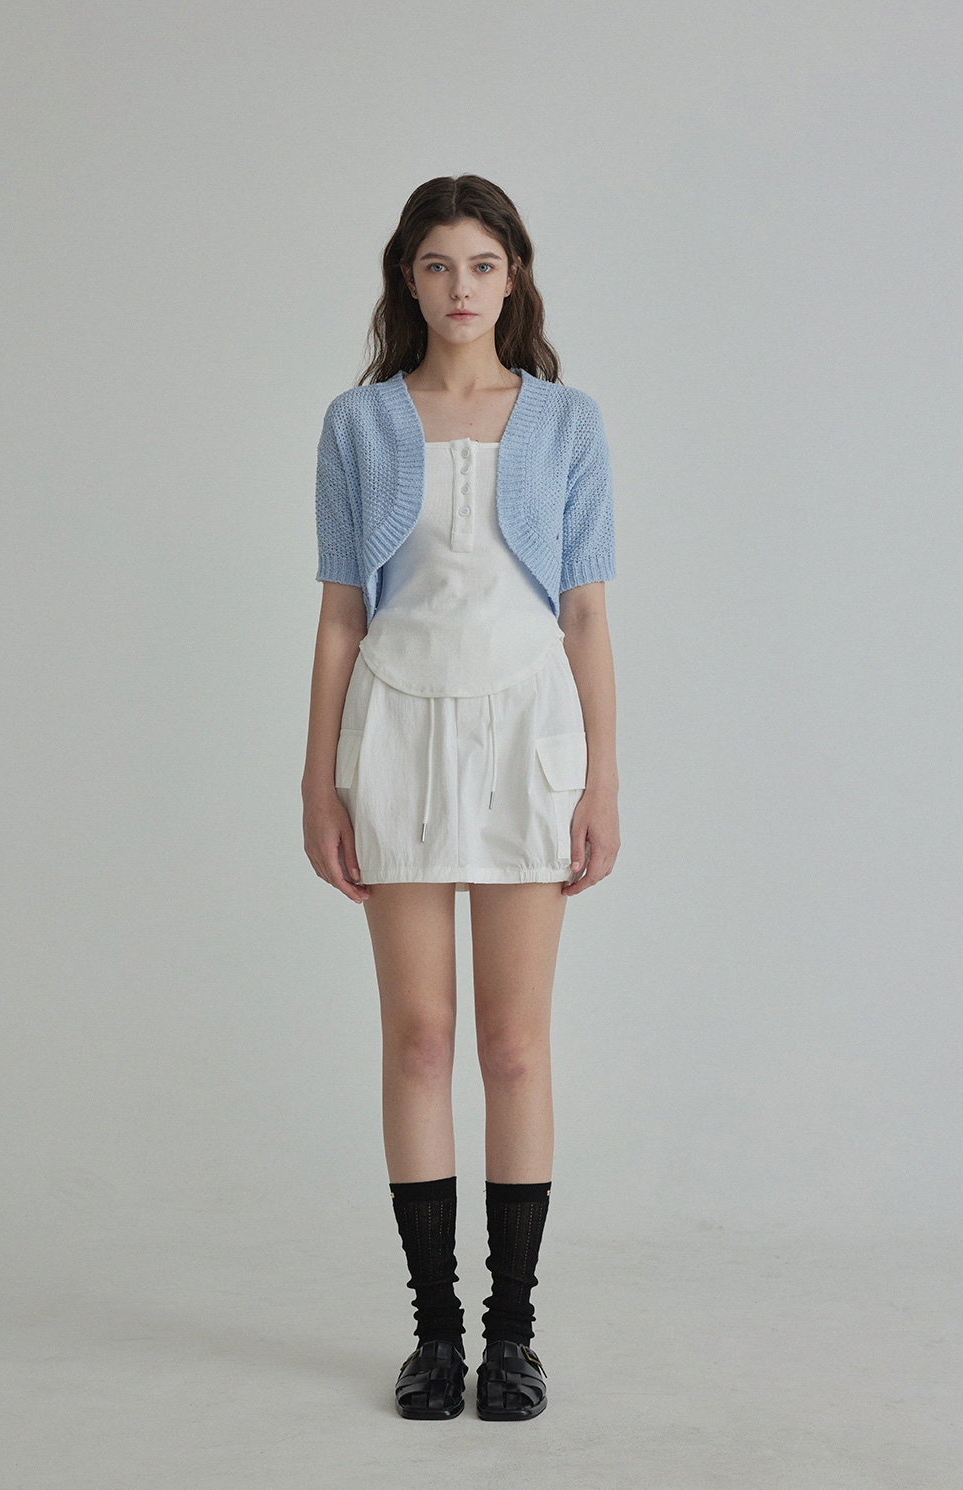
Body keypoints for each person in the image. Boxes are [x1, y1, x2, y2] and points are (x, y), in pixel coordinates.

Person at [302, 175, 619, 1421]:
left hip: (530, 734)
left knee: (514, 1043)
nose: (460, 288)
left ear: (513, 276)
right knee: (421, 1039)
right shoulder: (358, 423)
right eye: (436, 265)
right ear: (408, 279)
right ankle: (434, 1333)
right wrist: (320, 778)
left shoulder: (567, 421)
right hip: (396, 730)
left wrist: (602, 776)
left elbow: (584, 612)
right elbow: (341, 614)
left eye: (482, 264)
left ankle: (512, 1336)